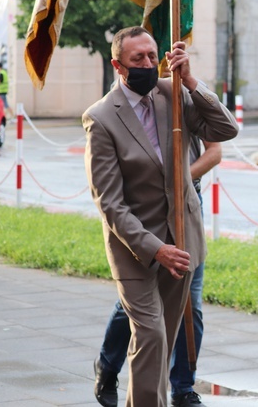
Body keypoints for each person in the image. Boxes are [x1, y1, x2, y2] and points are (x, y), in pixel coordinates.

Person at [83, 26, 239, 406]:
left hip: (182, 237)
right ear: (119, 65)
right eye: (139, 59)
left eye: (153, 56)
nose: (149, 64)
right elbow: (109, 202)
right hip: (134, 247)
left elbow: (226, 129)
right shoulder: (101, 118)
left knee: (161, 340)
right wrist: (155, 249)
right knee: (150, 334)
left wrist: (189, 81)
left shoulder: (172, 93)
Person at [93, 137, 222, 407]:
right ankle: (107, 364)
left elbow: (215, 151)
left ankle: (183, 387)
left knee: (191, 303)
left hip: (186, 201)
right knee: (138, 299)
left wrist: (180, 179)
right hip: (146, 206)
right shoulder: (135, 102)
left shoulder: (187, 95)